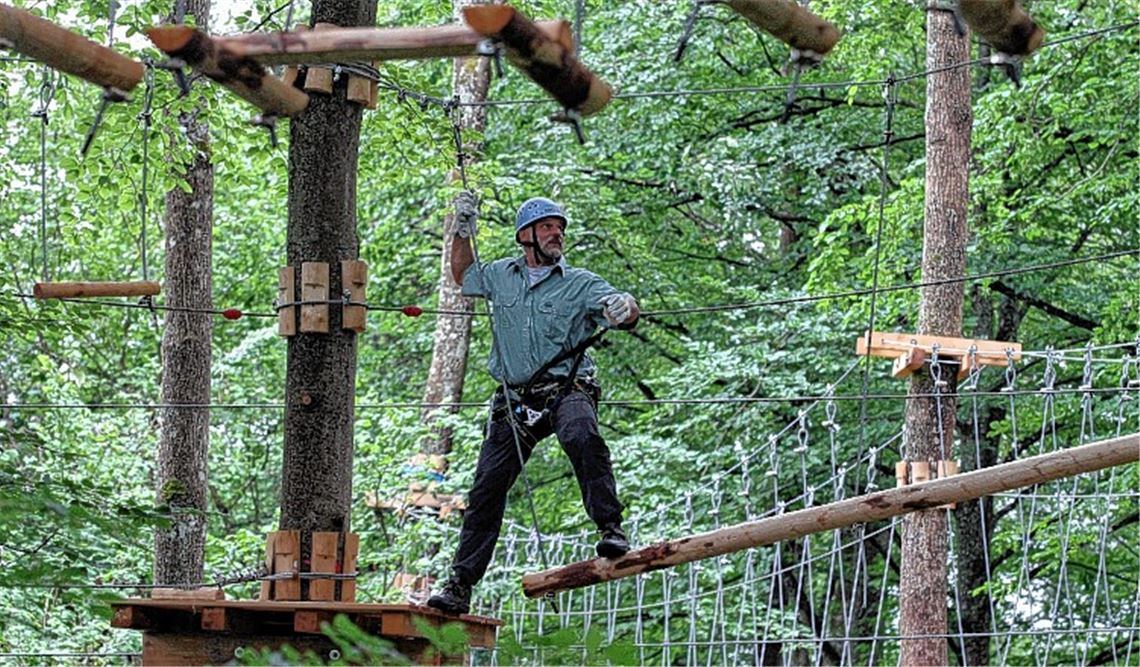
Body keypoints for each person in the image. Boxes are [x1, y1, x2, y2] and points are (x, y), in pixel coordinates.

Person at [426, 193, 640, 615]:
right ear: (525, 236)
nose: (557, 234)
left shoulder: (580, 283)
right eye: (547, 227)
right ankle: (460, 585)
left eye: (559, 228)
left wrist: (625, 307)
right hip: (515, 399)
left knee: (582, 435)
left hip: (567, 389)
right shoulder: (501, 276)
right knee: (487, 485)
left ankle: (611, 527)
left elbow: (624, 309)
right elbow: (462, 274)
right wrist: (462, 226)